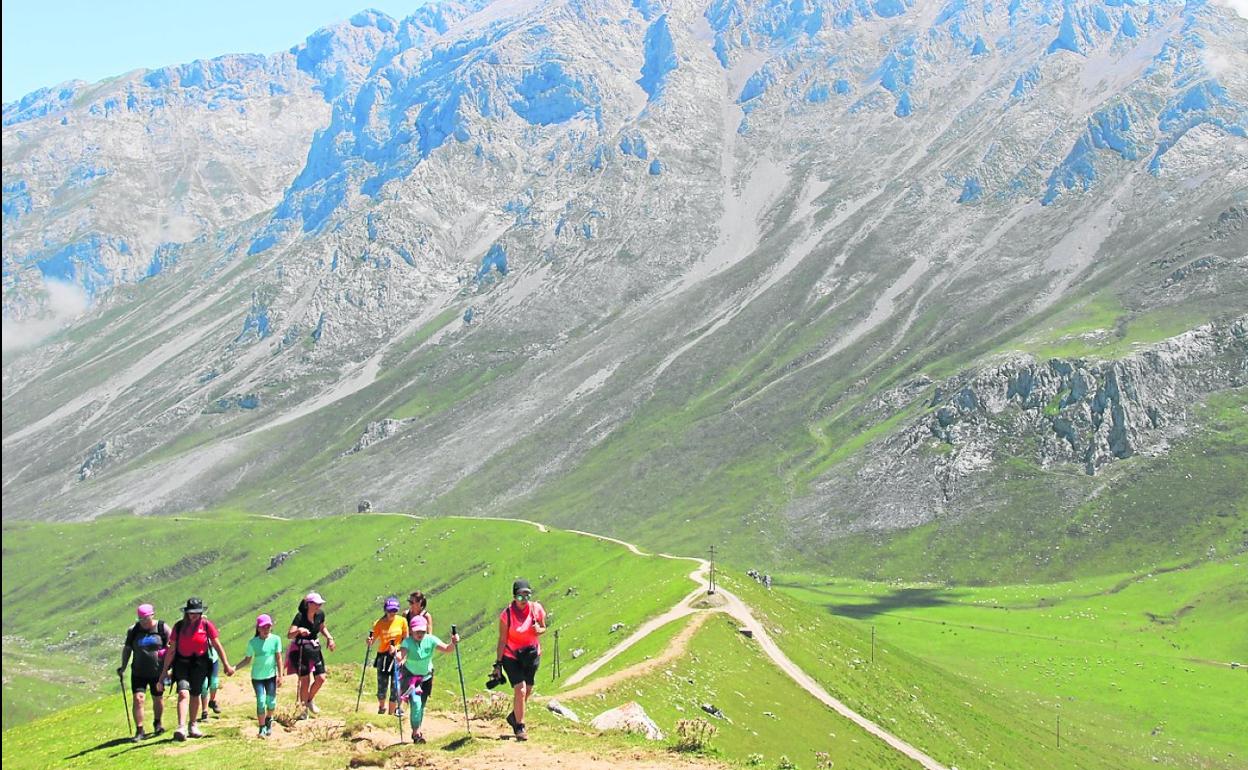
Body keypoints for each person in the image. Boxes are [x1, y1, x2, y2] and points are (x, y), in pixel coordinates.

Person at [158, 597, 234, 741]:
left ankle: (192, 725)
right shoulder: (179, 626)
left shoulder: (206, 625)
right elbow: (172, 650)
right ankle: (181, 727)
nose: (194, 615)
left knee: (195, 694)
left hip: (200, 664)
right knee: (183, 693)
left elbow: (217, 645)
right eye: (191, 612)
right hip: (182, 663)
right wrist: (163, 673)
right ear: (186, 612)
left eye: (197, 612)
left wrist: (226, 664)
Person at [493, 579, 546, 741]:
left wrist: (539, 630)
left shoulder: (536, 609)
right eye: (520, 597)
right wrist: (498, 663)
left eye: (527, 596)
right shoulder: (507, 615)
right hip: (512, 656)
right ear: (514, 597)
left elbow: (544, 628)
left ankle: (514, 716)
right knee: (520, 690)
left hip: (531, 654)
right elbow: (502, 640)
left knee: (528, 690)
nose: (524, 600)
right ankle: (520, 727)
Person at [395, 615, 458, 743]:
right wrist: (397, 655)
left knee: (421, 706)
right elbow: (402, 654)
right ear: (411, 630)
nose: (420, 634)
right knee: (416, 703)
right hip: (411, 678)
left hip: (426, 678)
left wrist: (454, 642)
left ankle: (416, 730)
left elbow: (447, 649)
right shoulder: (407, 642)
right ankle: (417, 733)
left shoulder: (431, 640)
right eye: (417, 631)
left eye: (422, 631)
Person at [117, 603, 169, 741]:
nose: (145, 622)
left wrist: (169, 666)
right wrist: (123, 667)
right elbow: (127, 649)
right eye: (142, 619)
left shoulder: (162, 628)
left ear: (152, 615)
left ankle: (158, 723)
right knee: (138, 699)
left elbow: (172, 647)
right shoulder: (133, 631)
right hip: (138, 672)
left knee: (157, 698)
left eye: (147, 618)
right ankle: (139, 730)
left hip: (157, 672)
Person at [287, 591, 335, 717]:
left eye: (320, 604)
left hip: (314, 649)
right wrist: (299, 630)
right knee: (305, 680)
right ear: (309, 604)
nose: (319, 606)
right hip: (301, 650)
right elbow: (289, 635)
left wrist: (329, 638)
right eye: (317, 604)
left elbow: (321, 627)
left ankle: (309, 700)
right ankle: (303, 709)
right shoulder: (300, 617)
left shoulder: (320, 615)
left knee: (321, 678)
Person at [238, 614, 283, 738]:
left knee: (271, 702)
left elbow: (278, 658)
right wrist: (234, 668)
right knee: (261, 701)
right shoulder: (253, 643)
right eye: (263, 627)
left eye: (268, 626)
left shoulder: (276, 640)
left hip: (271, 677)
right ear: (258, 628)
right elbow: (247, 660)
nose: (266, 629)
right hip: (257, 677)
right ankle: (262, 727)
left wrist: (280, 675)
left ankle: (269, 719)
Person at [369, 597, 406, 715]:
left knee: (396, 685)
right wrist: (369, 641)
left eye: (395, 610)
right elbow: (373, 640)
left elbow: (406, 638)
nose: (392, 613)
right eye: (390, 611)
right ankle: (381, 707)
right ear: (385, 610)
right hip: (383, 656)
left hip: (397, 655)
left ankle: (391, 713)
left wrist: (402, 653)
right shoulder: (379, 623)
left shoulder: (402, 621)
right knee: (382, 685)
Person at [197, 644, 220, 724]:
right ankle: (205, 711)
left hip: (213, 660)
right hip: (200, 661)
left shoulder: (210, 631)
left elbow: (216, 643)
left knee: (214, 683)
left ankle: (212, 701)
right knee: (204, 685)